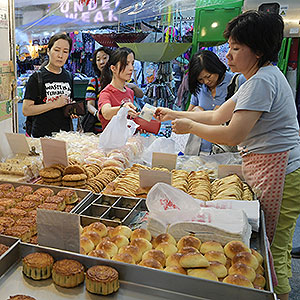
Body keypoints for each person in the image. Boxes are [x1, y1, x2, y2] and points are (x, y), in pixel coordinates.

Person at [155, 11, 300, 300]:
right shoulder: (254, 79)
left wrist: (191, 126)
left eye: (236, 49)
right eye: (229, 47)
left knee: (274, 250)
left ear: (257, 51)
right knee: (270, 246)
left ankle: (281, 295)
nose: (228, 56)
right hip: (270, 168)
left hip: (281, 172)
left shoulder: (261, 82)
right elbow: (219, 114)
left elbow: (234, 134)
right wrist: (176, 113)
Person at [186, 50, 245, 154]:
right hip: (199, 149)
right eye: (201, 79)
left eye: (208, 76)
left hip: (225, 150)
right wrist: (196, 111)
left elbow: (244, 117)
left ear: (216, 67)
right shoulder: (200, 88)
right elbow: (189, 114)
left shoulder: (236, 82)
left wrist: (223, 114)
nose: (206, 82)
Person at [22, 33, 75, 138]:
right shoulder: (36, 78)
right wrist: (55, 104)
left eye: (65, 52)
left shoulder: (69, 76)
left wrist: (71, 109)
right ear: (48, 51)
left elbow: (68, 101)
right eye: (56, 50)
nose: (60, 55)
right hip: (42, 135)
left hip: (65, 135)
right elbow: (26, 110)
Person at [98, 47, 139, 130]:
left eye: (132, 63)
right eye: (126, 64)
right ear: (113, 68)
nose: (131, 68)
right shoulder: (106, 93)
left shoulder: (130, 92)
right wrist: (122, 108)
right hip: (112, 142)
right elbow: (106, 113)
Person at [82, 47, 112, 133]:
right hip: (99, 129)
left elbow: (140, 94)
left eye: (105, 58)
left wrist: (130, 85)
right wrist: (97, 114)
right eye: (98, 60)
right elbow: (90, 105)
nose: (102, 62)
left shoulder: (121, 80)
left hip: (118, 129)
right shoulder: (94, 82)